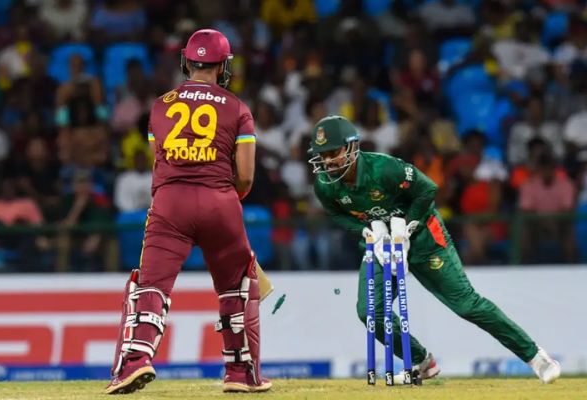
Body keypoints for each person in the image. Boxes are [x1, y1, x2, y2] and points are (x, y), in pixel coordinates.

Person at [308, 115, 561, 384]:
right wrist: (366, 231)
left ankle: (536, 357)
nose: (327, 161)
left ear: (351, 147)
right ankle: (421, 360)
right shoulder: (325, 186)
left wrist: (407, 227)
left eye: (333, 152)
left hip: (425, 240)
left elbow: (428, 189)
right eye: (322, 155)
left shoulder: (384, 168)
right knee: (370, 313)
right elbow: (336, 214)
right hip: (382, 245)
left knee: (467, 305)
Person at [105, 29, 271, 394]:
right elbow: (245, 176)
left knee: (150, 284)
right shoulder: (238, 108)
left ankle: (134, 362)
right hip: (220, 201)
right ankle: (241, 375)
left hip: (170, 203)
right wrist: (223, 199)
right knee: (238, 287)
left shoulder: (160, 105)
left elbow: (160, 161)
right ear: (224, 65)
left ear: (186, 61)